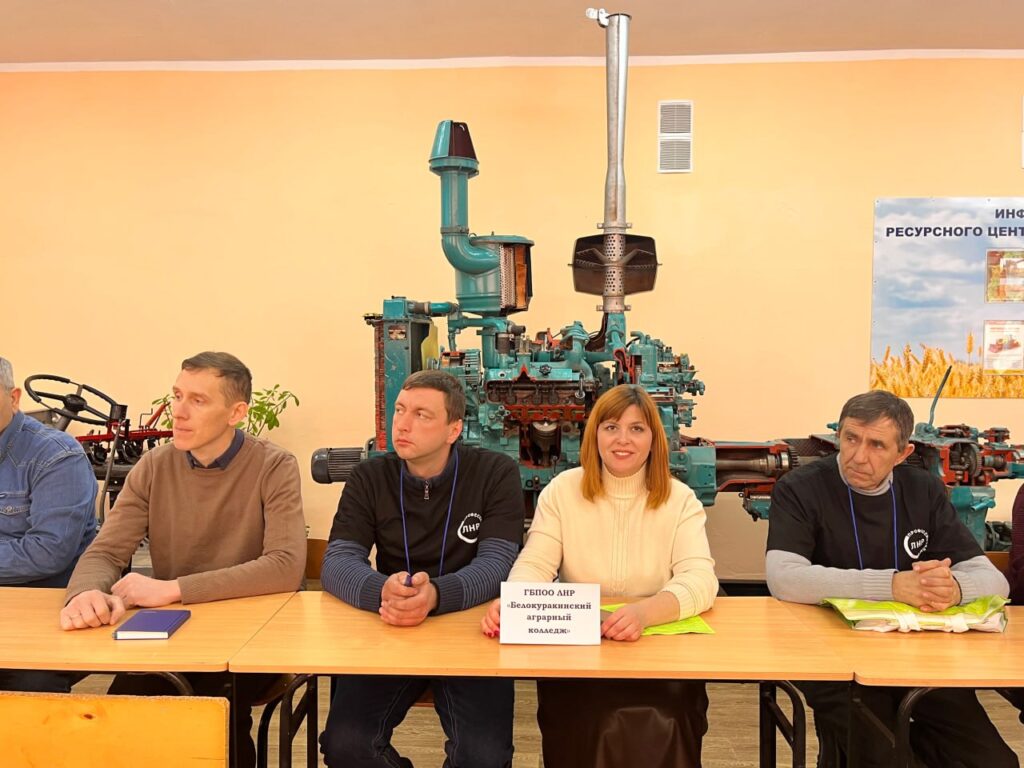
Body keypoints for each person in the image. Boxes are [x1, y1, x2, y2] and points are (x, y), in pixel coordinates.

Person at [59, 351, 306, 768]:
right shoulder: (155, 465)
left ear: (236, 413)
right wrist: (84, 593)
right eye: (177, 396)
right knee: (119, 714)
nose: (179, 411)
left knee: (212, 722)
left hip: (253, 633)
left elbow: (285, 565)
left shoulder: (274, 465)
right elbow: (105, 551)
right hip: (173, 634)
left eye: (198, 400)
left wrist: (173, 589)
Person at [766, 389, 1016, 768]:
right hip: (833, 659)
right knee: (884, 759)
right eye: (851, 438)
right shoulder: (800, 487)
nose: (858, 456)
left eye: (877, 445)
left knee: (994, 762)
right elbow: (784, 578)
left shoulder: (923, 490)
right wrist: (894, 586)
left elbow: (995, 582)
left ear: (903, 453)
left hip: (919, 656)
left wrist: (954, 589)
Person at [480, 383, 719, 768]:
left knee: (666, 720)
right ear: (594, 435)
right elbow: (535, 564)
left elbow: (700, 578)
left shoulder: (680, 500)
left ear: (654, 439)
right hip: (579, 651)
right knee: (583, 724)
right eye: (611, 427)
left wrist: (644, 614)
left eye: (637, 429)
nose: (623, 439)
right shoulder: (562, 491)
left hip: (658, 656)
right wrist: (515, 602)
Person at [319, 370, 524, 768]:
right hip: (391, 625)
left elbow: (498, 563)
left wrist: (435, 596)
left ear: (453, 430)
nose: (403, 424)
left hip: (471, 632)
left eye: (422, 415)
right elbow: (337, 561)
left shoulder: (495, 473)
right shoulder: (369, 477)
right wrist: (382, 591)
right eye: (400, 410)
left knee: (482, 757)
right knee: (346, 746)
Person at [0, 355, 98, 693]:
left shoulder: (56, 455)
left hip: (42, 616)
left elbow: (47, 552)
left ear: (13, 398)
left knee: (29, 688)